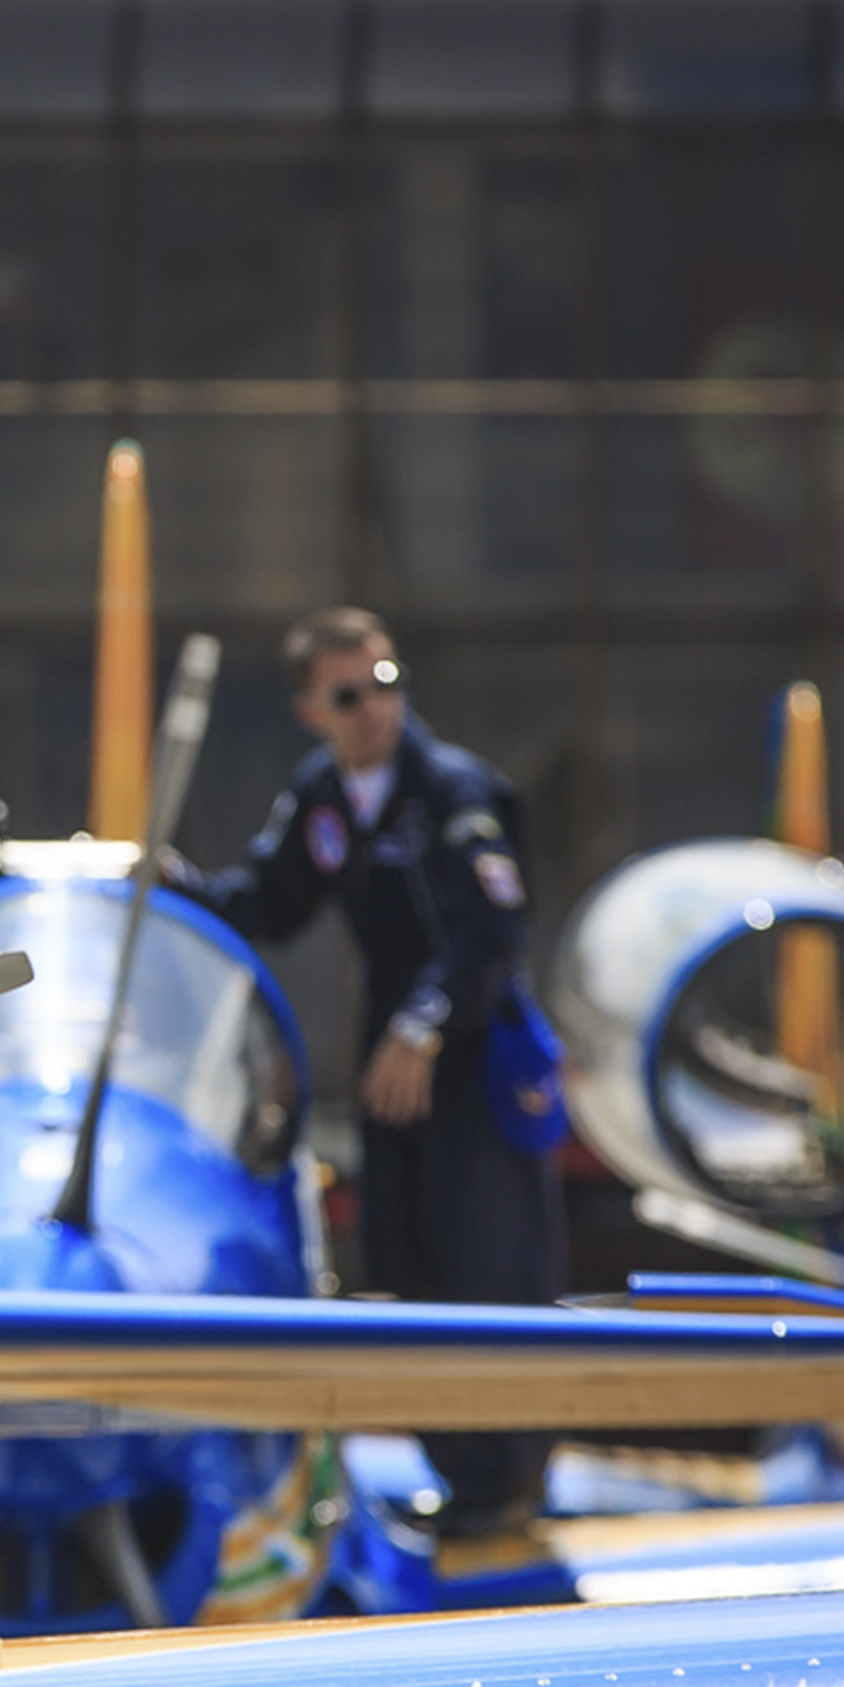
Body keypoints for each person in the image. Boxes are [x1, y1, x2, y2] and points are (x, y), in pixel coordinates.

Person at [172, 606, 567, 1538]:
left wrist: (426, 1024)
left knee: (491, 1265)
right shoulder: (322, 796)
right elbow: (269, 903)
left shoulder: (453, 789)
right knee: (411, 1263)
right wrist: (173, 885)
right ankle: (462, 1473)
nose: (375, 709)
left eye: (386, 684)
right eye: (350, 695)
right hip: (395, 1074)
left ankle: (507, 1480)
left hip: (471, 1062)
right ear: (313, 709)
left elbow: (495, 930)